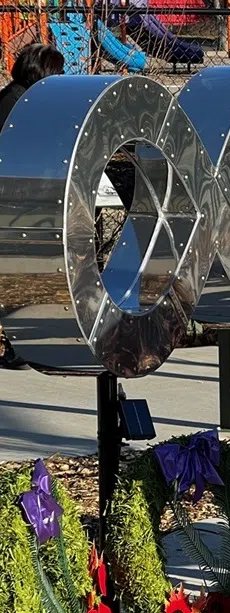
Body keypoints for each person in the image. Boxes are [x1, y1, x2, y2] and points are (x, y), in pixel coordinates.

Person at [0, 43, 64, 370]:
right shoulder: (17, 104)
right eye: (57, 72)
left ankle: (21, 344)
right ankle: (20, 345)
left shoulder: (19, 98)